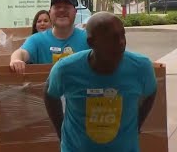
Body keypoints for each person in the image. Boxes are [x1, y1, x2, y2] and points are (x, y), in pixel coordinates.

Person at [45, 11, 157, 152]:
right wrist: (61, 132)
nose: (121, 42)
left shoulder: (141, 67)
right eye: (112, 38)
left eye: (123, 35)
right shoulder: (66, 69)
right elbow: (50, 93)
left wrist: (137, 124)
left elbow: (151, 92)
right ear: (91, 42)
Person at [10, 0, 90, 74]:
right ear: (50, 13)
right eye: (57, 7)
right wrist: (16, 60)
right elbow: (21, 53)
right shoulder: (37, 40)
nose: (62, 10)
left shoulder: (88, 38)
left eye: (66, 7)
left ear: (75, 12)